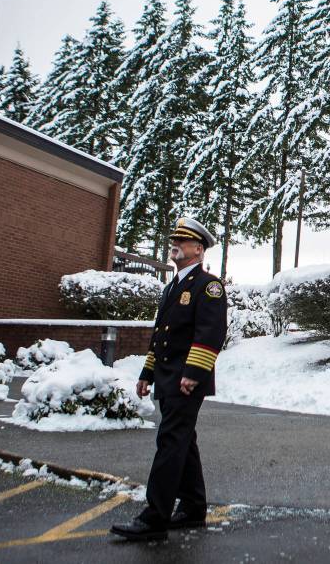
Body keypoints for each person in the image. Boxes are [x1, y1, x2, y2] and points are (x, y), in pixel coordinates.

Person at [111, 217, 227, 542]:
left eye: (182, 241)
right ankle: (192, 508)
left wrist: (193, 374)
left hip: (186, 380)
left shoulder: (209, 286)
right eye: (173, 239)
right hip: (167, 377)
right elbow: (161, 336)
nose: (174, 244)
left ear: (199, 249)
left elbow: (211, 333)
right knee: (182, 441)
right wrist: (147, 372)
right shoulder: (172, 287)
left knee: (170, 441)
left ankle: (155, 517)